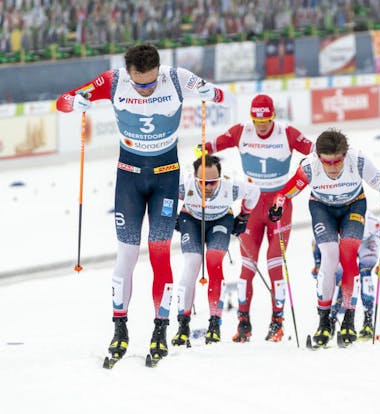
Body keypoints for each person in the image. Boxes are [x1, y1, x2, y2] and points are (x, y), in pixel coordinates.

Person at [56, 44, 225, 362]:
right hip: (129, 179)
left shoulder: (177, 78)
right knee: (127, 255)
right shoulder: (113, 80)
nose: (145, 89)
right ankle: (120, 330)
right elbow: (62, 101)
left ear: (159, 71)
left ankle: (160, 330)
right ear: (128, 73)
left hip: (165, 179)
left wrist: (208, 92)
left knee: (160, 254)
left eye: (150, 83)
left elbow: (218, 96)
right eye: (139, 83)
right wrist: (74, 102)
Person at [199, 94, 314, 343]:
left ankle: (277, 322)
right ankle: (243, 323)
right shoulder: (242, 131)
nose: (262, 126)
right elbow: (212, 145)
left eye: (266, 121)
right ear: (252, 118)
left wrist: (304, 174)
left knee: (274, 263)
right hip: (251, 203)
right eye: (257, 121)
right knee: (247, 267)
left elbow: (315, 152)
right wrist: (203, 150)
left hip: (279, 203)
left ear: (273, 116)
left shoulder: (288, 133)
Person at [268, 128, 380, 346]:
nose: (334, 167)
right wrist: (277, 206)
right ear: (319, 158)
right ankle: (324, 321)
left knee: (348, 255)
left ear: (345, 155)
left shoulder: (358, 160)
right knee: (329, 256)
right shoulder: (309, 166)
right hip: (322, 209)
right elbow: (285, 193)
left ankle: (348, 320)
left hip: (353, 207)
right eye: (328, 162)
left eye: (338, 161)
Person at [172, 155, 259, 346]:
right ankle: (183, 324)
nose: (208, 187)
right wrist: (171, 215)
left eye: (213, 182)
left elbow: (254, 192)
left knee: (213, 261)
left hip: (221, 220)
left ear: (220, 177)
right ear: (194, 178)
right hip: (191, 219)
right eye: (202, 182)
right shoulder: (184, 184)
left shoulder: (230, 187)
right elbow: (163, 191)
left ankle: (214, 323)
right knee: (192, 264)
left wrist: (243, 217)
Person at [311, 211, 380, 340]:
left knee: (365, 273)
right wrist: (318, 264)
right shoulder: (333, 219)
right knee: (338, 275)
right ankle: (331, 322)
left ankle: (368, 322)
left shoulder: (370, 221)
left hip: (366, 243)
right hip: (344, 243)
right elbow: (316, 241)